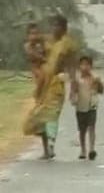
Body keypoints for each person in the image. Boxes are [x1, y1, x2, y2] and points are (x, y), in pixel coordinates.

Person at [23, 15, 77, 159]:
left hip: (56, 84)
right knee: (39, 115)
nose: (54, 28)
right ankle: (46, 149)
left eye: (57, 26)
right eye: (53, 25)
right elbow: (32, 40)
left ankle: (51, 146)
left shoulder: (68, 44)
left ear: (64, 28)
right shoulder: (47, 39)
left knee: (51, 115)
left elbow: (72, 66)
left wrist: (73, 85)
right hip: (42, 83)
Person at [70, 56, 104, 160]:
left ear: (91, 66)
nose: (85, 67)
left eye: (87, 65)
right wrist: (74, 88)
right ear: (79, 67)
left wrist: (99, 83)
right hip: (80, 106)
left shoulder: (95, 78)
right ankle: (83, 150)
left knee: (92, 127)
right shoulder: (77, 79)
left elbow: (101, 91)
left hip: (92, 106)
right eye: (83, 65)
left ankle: (91, 149)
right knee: (82, 130)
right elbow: (73, 93)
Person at [24, 23, 48, 103]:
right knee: (42, 77)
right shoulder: (27, 45)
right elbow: (34, 55)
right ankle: (36, 94)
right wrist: (43, 58)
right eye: (32, 34)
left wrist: (43, 44)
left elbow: (45, 50)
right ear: (28, 36)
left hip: (42, 65)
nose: (34, 36)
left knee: (43, 81)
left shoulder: (40, 44)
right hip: (35, 67)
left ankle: (40, 98)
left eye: (36, 33)